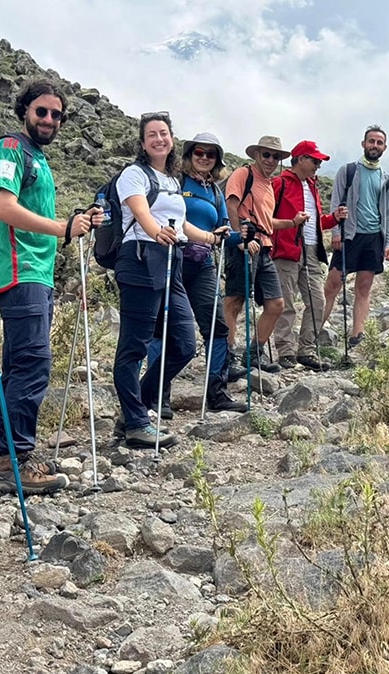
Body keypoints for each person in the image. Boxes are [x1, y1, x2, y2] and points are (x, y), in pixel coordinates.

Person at [0, 80, 99, 495]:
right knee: (32, 365)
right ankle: (16, 460)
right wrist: (64, 227)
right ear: (24, 111)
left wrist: (72, 223)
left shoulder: (37, 158)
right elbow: (4, 208)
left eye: (56, 114)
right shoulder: (10, 150)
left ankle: (2, 460)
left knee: (18, 368)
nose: (49, 119)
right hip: (20, 271)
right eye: (41, 111)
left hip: (36, 274)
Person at [111, 112, 228, 449]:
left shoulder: (173, 180)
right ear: (143, 141)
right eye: (152, 134)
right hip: (141, 260)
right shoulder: (133, 175)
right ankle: (135, 422)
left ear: (172, 138)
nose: (159, 139)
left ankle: (136, 408)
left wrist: (208, 237)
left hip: (171, 261)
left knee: (184, 344)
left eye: (164, 133)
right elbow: (142, 214)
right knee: (133, 346)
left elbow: (180, 225)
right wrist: (157, 232)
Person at [144, 132, 246, 414]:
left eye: (210, 154)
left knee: (216, 327)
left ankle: (217, 392)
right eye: (198, 152)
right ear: (189, 156)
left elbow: (223, 231)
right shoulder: (176, 182)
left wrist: (243, 236)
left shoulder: (214, 191)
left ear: (217, 161)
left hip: (202, 265)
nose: (204, 158)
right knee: (162, 329)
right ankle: (157, 395)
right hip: (171, 260)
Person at [223, 135, 304, 374]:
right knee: (235, 301)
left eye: (276, 156)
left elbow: (267, 222)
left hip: (264, 246)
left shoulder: (269, 184)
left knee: (276, 303)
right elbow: (231, 205)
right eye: (266, 154)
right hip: (245, 244)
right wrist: (240, 240)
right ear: (256, 155)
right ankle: (225, 358)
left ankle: (253, 353)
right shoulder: (242, 174)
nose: (271, 160)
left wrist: (292, 222)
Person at [270, 140, 346, 371]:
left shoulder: (312, 186)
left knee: (318, 301)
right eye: (314, 161)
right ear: (300, 159)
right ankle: (285, 351)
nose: (317, 166)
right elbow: (266, 216)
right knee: (287, 302)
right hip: (286, 250)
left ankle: (306, 350)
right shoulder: (279, 183)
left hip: (312, 250)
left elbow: (315, 222)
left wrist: (333, 218)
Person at [322, 125, 389, 351]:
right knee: (332, 285)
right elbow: (335, 202)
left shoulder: (386, 179)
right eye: (371, 141)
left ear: (384, 147)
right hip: (349, 236)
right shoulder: (348, 171)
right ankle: (314, 331)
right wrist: (336, 232)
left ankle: (358, 334)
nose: (375, 146)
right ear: (363, 144)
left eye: (379, 142)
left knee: (364, 288)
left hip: (373, 238)